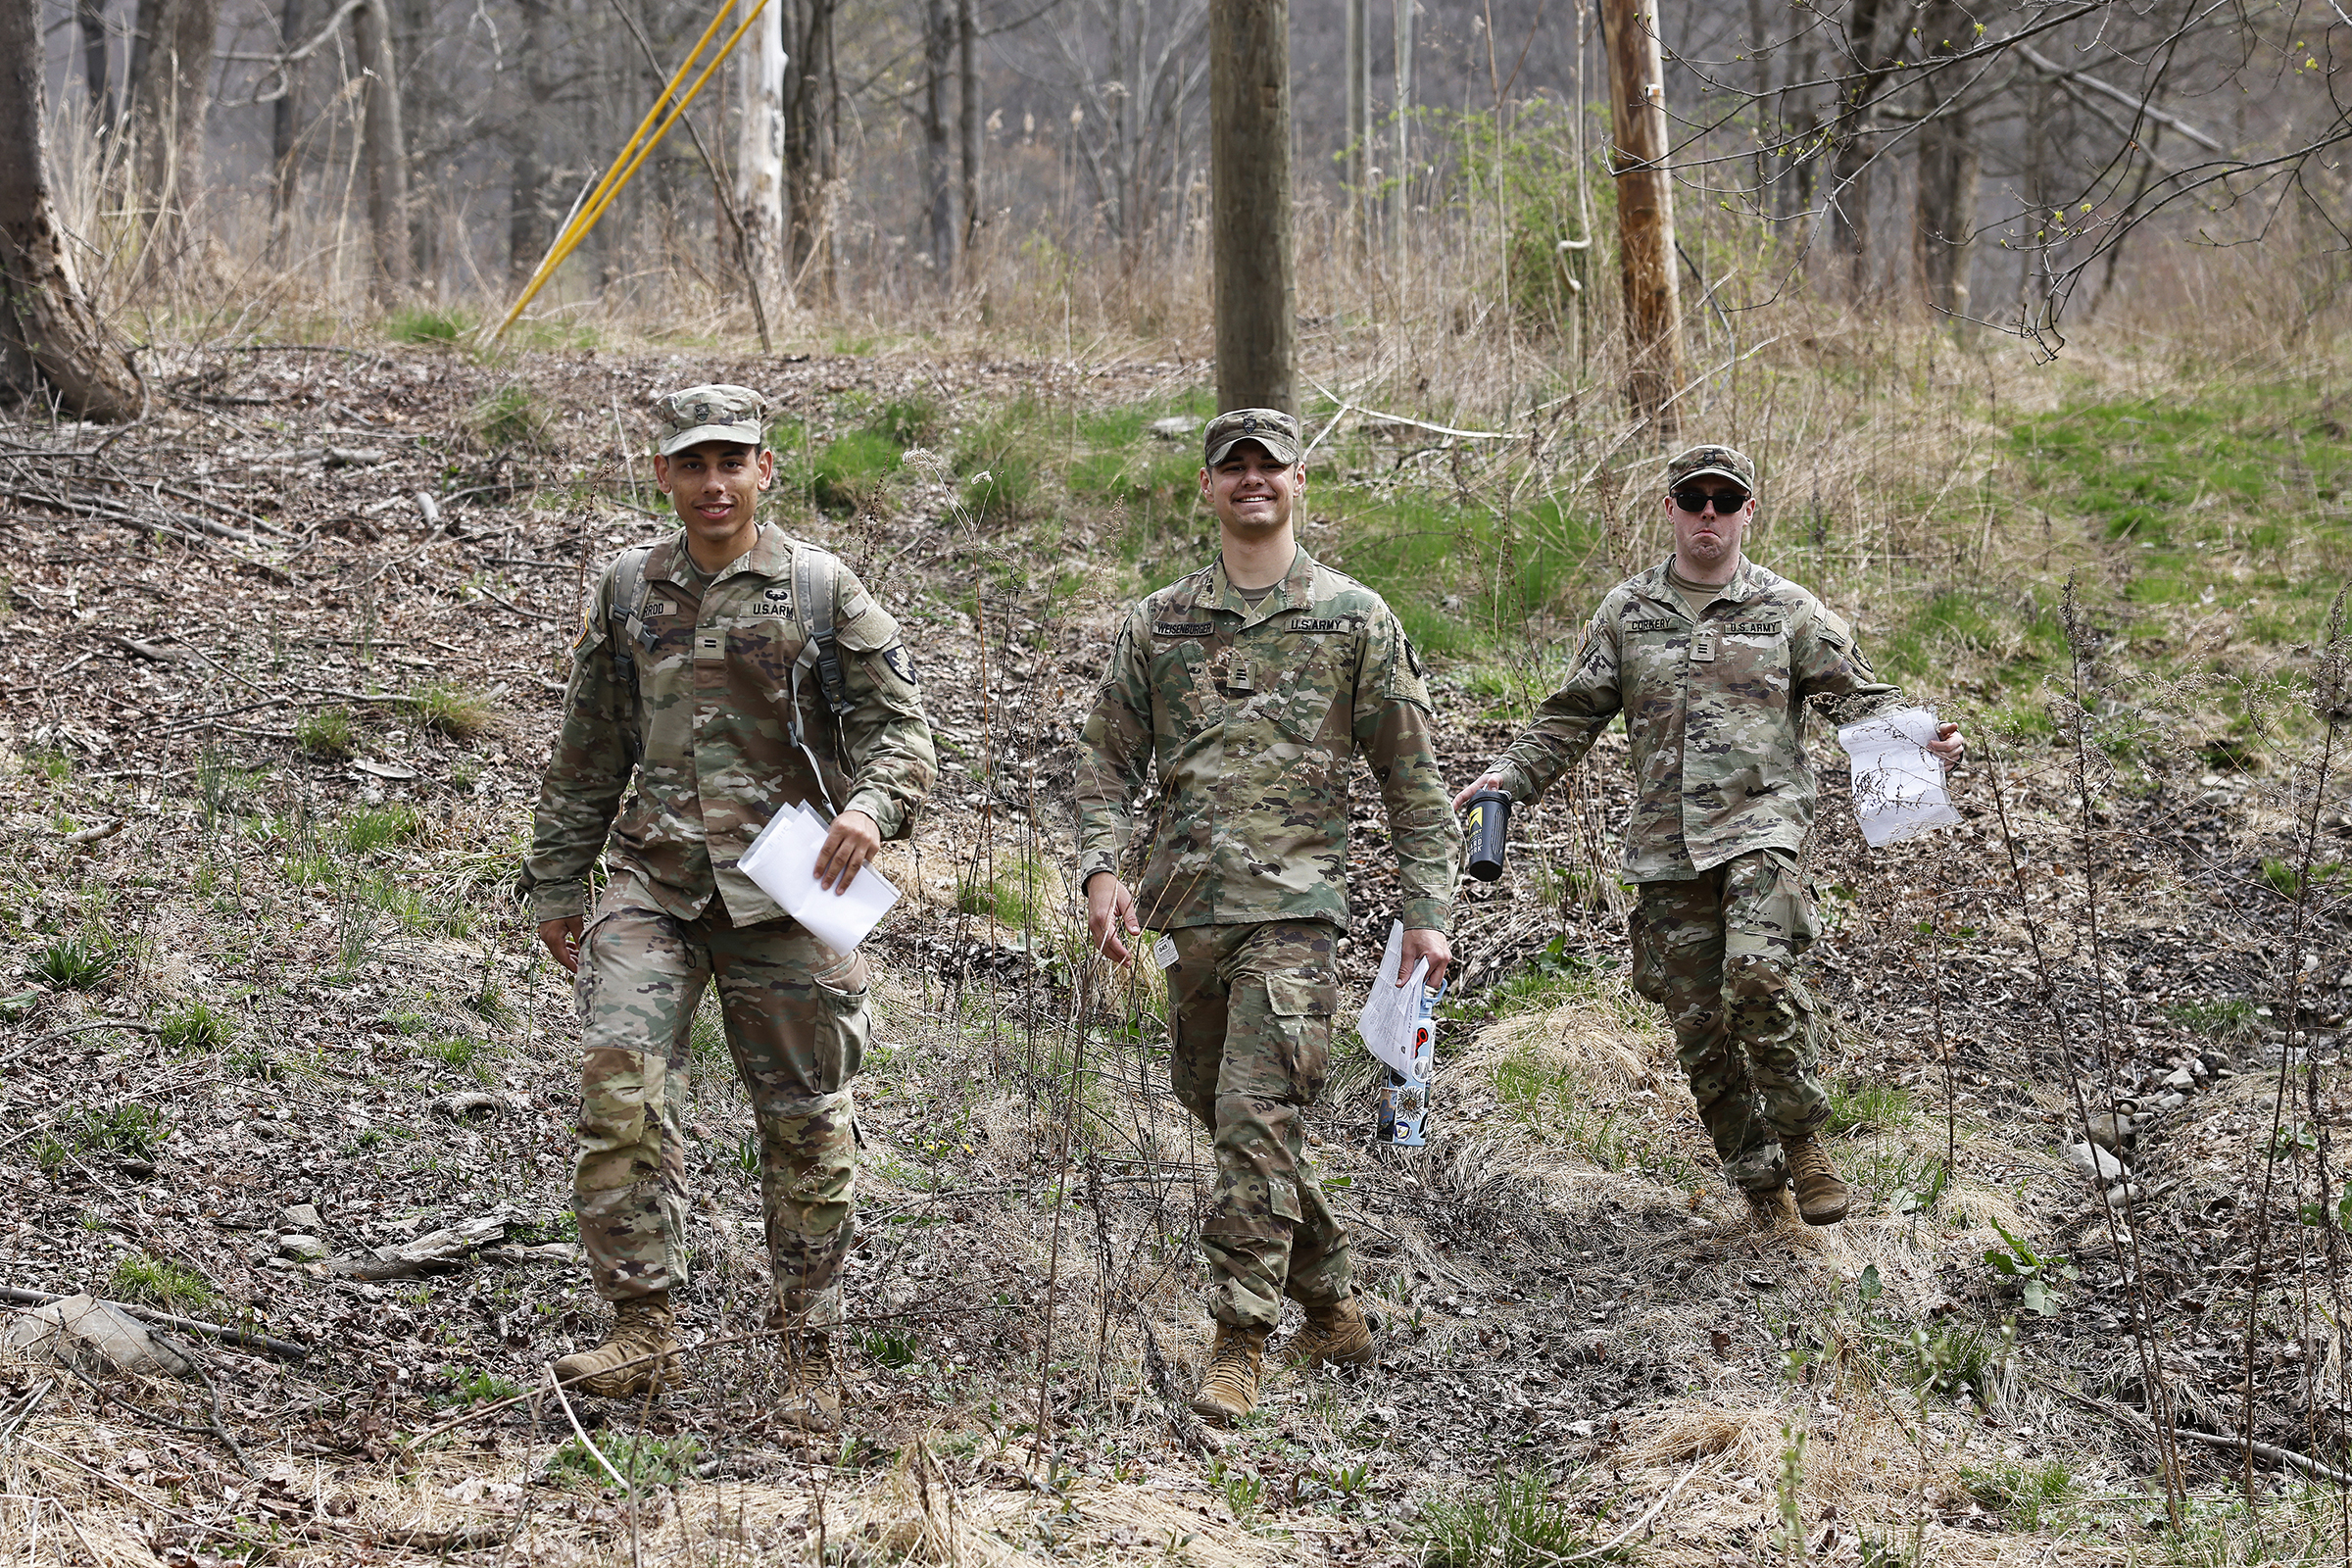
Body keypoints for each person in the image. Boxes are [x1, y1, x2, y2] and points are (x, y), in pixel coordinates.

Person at [524, 385, 936, 1429]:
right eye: (693, 464)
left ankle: (809, 1351)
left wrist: (873, 810)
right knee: (619, 1094)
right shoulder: (628, 589)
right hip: (654, 881)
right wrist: (558, 881)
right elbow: (589, 748)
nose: (714, 483)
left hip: (787, 890)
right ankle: (642, 1331)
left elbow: (905, 734)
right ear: (663, 475)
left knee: (806, 1127)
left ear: (766, 471)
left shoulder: (819, 588)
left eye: (733, 462)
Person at [1454, 444, 1964, 1228]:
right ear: (1670, 509)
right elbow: (1571, 715)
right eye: (1694, 499)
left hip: (1761, 830)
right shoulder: (1627, 613)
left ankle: (1803, 1141)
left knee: (1756, 978)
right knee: (1699, 1026)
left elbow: (1861, 701)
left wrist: (1923, 743)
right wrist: (1507, 780)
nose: (1709, 515)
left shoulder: (1787, 610)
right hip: (1664, 845)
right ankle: (1761, 1187)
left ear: (1748, 512)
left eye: (1725, 501)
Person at [1074, 408, 1461, 1425]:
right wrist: (1100, 873)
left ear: (1301, 482)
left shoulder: (1355, 617)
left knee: (1254, 1115)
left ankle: (1239, 1341)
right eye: (1232, 468)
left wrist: (1427, 910)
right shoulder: (1158, 625)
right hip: (1186, 910)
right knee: (1218, 1103)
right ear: (1206, 489)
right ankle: (1329, 1295)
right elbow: (1107, 762)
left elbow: (1412, 779)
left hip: (1297, 913)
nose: (1253, 481)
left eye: (1271, 467)